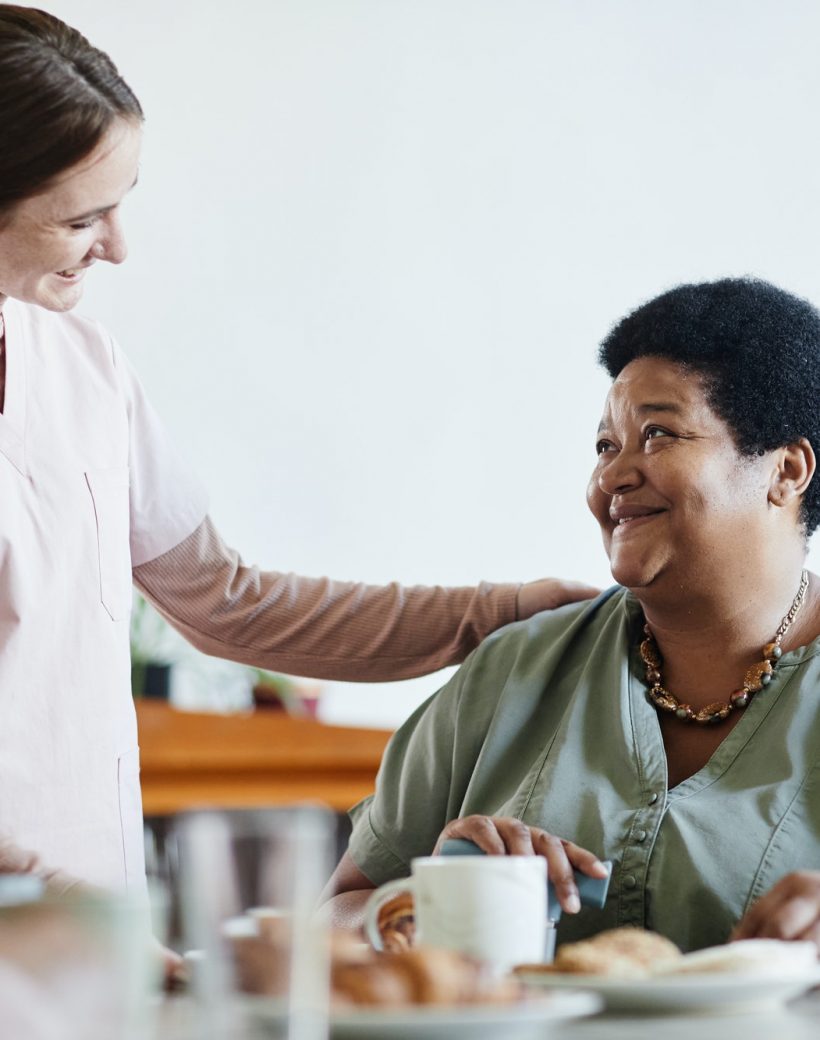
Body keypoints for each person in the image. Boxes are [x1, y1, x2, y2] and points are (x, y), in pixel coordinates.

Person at [0, 5, 597, 894]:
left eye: (122, 207)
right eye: (83, 218)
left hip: (97, 936)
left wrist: (494, 614)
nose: (118, 248)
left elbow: (226, 603)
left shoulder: (86, 370)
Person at [325, 277, 820, 953]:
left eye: (657, 434)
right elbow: (334, 917)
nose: (612, 477)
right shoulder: (513, 671)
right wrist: (428, 900)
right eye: (605, 446)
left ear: (786, 471)